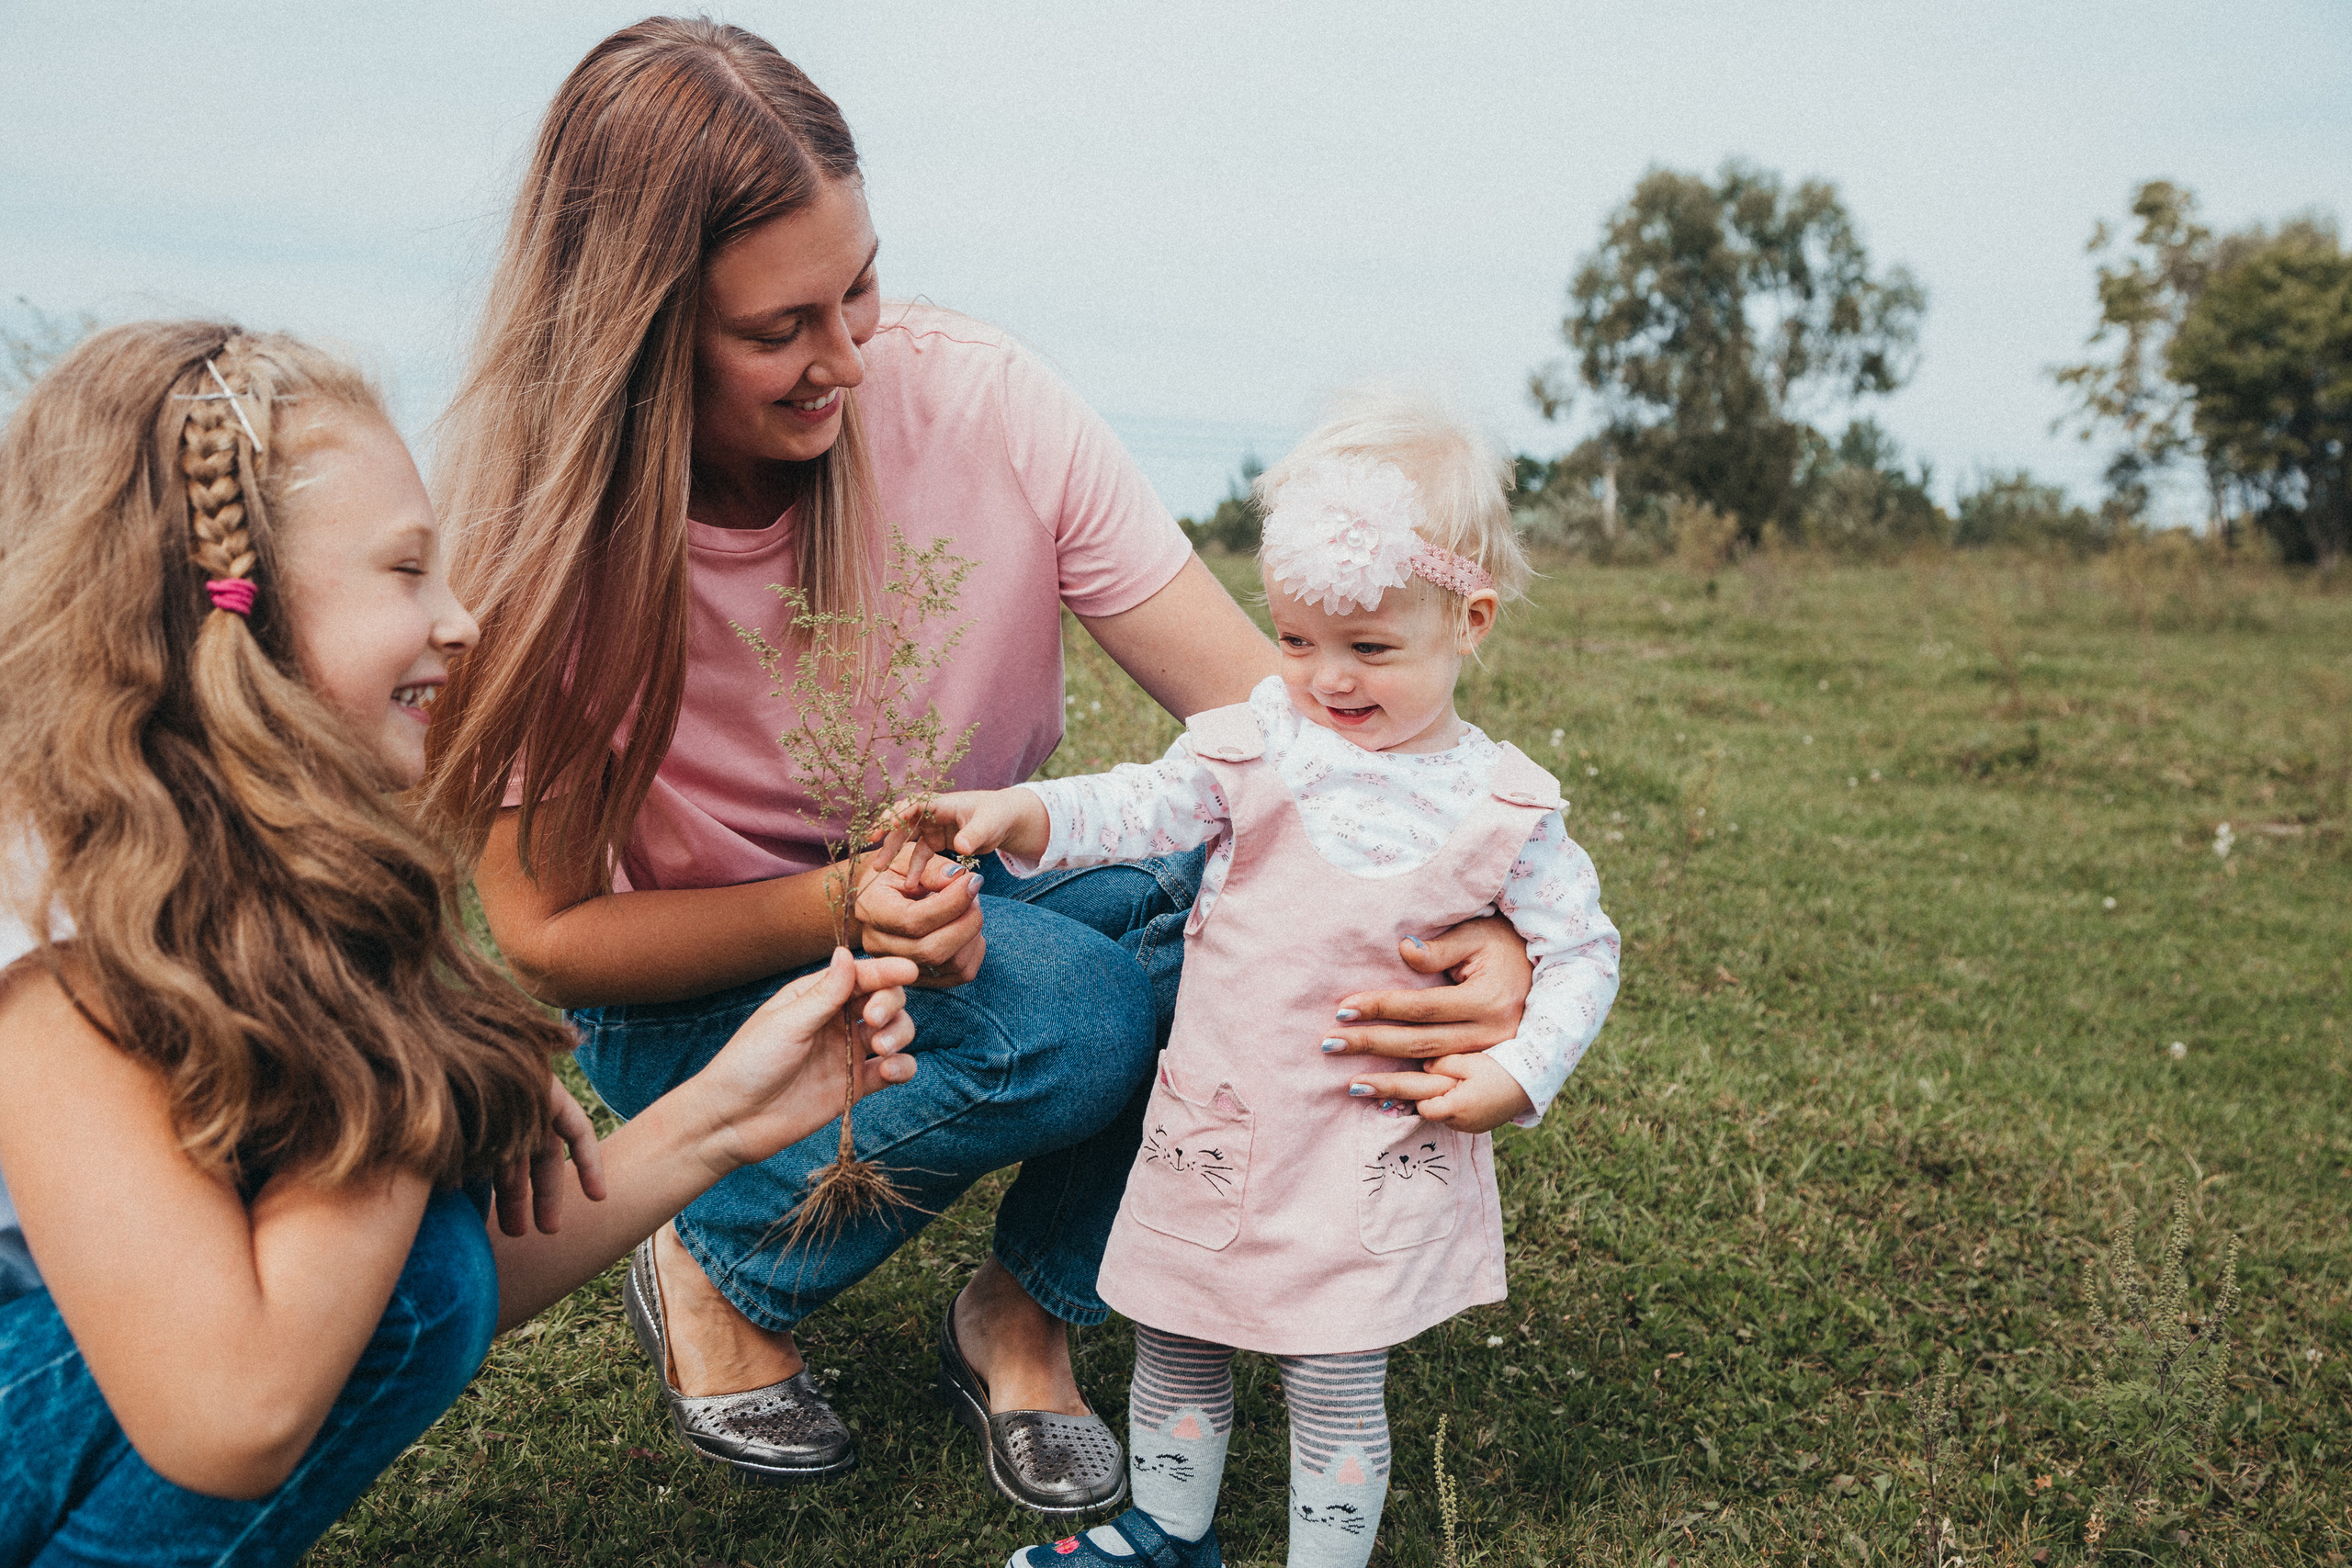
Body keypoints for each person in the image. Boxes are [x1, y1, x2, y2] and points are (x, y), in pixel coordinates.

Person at [423, 16, 1543, 1511]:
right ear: (644, 336)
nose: (847, 357)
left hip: (979, 917)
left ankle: (1025, 1307)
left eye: (861, 286)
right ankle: (720, 1250)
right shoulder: (529, 547)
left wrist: (1482, 916)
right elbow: (549, 934)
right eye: (779, 331)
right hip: (697, 989)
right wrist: (841, 908)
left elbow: (1277, 728)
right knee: (1071, 1013)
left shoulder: (990, 407)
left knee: (1260, 898)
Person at [0, 322, 921, 1568]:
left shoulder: (211, 876)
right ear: (229, 607)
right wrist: (404, 1061)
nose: (461, 618)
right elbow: (236, 1408)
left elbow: (398, 1300)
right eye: (404, 570)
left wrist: (729, 1113)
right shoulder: (44, 914)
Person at [894, 391, 1623, 1568]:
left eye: (1370, 649)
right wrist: (1022, 811)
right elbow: (1136, 804)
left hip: (1368, 1146)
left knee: (1336, 1374)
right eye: (1295, 641)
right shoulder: (1256, 744)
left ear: (1469, 620)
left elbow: (1583, 950)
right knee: (1178, 1336)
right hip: (1220, 1123)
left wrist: (1519, 1068)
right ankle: (1167, 1532)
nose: (1326, 679)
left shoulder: (1504, 810)